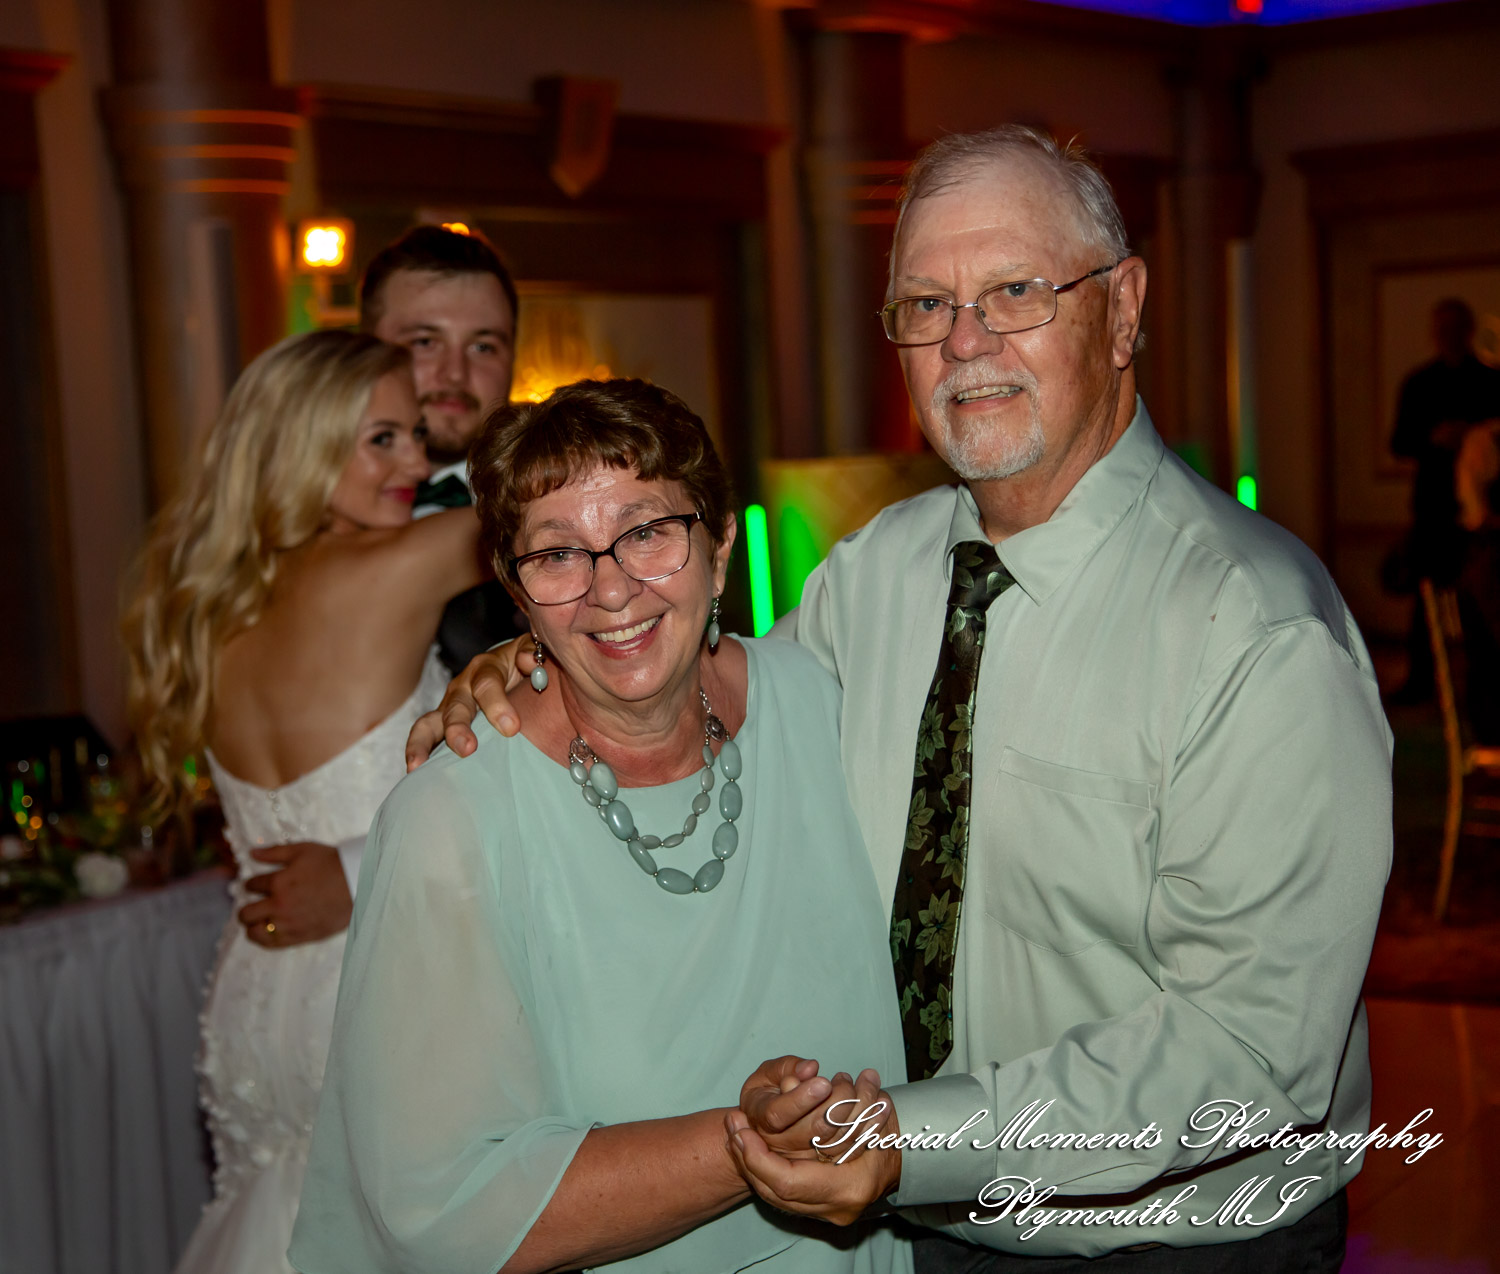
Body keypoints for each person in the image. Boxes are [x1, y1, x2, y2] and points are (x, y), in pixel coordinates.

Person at [410, 127, 1393, 1271]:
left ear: (1122, 309)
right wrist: (540, 667)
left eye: (1014, 292)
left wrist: (910, 1139)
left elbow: (1248, 1044)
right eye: (925, 305)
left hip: (1174, 1242)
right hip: (911, 1232)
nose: (965, 341)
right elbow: (711, 713)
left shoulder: (1254, 628)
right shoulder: (878, 571)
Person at [288, 378, 910, 1274]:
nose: (611, 589)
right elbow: (448, 1211)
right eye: (557, 556)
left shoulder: (831, 707)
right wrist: (749, 1144)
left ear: (721, 545)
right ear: (516, 592)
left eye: (649, 531)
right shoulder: (452, 822)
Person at [122, 330, 484, 1274]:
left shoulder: (203, 606)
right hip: (376, 975)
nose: (418, 461)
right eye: (383, 441)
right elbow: (570, 504)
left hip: (255, 987)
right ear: (302, 447)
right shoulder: (404, 566)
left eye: (415, 435)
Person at [229, 224, 526, 959]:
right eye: (423, 342)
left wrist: (362, 869)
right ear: (363, 350)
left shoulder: (561, 526)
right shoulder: (265, 569)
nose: (455, 373)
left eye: (484, 346)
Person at [1387, 297, 1500, 702]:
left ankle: (1482, 687)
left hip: (1484, 510)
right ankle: (1421, 681)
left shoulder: (1490, 381)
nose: (1447, 336)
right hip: (1434, 505)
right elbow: (1399, 442)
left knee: (1482, 600)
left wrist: (1474, 439)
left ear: (1467, 331)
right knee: (1427, 600)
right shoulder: (1419, 384)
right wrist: (1433, 440)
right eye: (1441, 328)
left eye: (1455, 328)